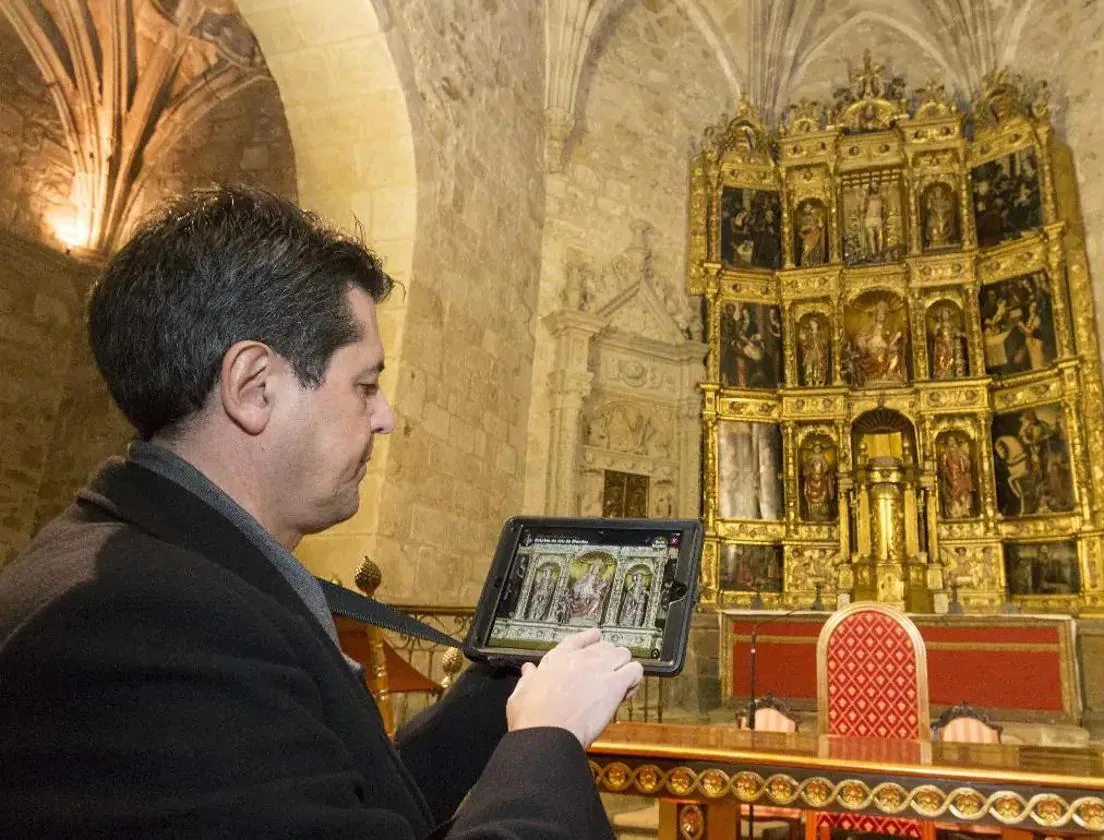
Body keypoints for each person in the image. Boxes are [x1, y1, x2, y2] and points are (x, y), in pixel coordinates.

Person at [0, 186, 642, 838]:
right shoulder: (141, 620)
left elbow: (337, 802)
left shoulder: (158, 568)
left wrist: (499, 688)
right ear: (255, 388)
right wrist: (549, 739)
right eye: (365, 384)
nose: (386, 416)